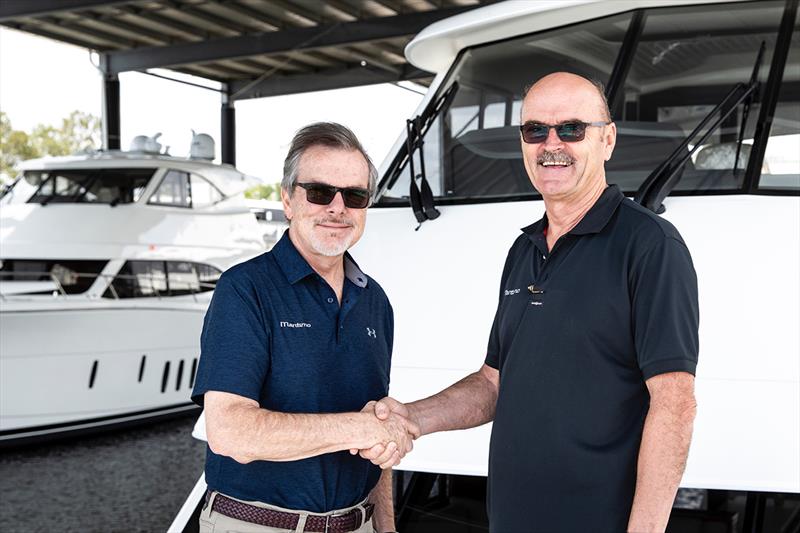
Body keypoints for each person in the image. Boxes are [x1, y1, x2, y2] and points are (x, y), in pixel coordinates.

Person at [358, 72, 699, 533]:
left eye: (571, 129)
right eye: (535, 130)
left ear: (608, 140)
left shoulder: (650, 245)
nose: (550, 143)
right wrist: (409, 418)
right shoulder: (524, 250)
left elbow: (674, 404)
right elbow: (494, 383)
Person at [191, 122, 417, 533]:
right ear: (287, 200)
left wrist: (386, 527)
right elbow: (230, 432)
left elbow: (377, 436)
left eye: (354, 195)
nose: (337, 207)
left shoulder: (375, 303)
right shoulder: (245, 290)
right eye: (319, 192)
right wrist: (362, 426)